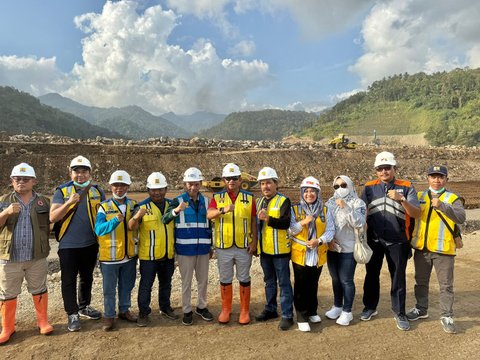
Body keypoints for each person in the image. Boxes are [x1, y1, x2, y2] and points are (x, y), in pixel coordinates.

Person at [360, 151, 420, 331]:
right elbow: (361, 211)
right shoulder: (369, 187)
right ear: (376, 171)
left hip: (399, 241)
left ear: (394, 169)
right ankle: (370, 307)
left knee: (398, 278)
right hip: (375, 240)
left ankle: (399, 312)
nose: (384, 171)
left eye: (387, 168)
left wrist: (402, 199)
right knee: (371, 275)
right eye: (380, 169)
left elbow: (416, 213)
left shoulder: (407, 186)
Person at [407, 165, 466, 334]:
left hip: (444, 250)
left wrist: (442, 206)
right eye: (433, 176)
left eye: (440, 177)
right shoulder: (418, 196)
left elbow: (461, 218)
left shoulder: (453, 198)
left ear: (446, 179)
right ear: (428, 178)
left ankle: (447, 315)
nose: (437, 180)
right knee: (420, 282)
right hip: (422, 249)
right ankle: (421, 309)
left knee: (446, 285)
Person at [50, 155, 105, 332]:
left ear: (90, 173)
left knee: (87, 277)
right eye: (76, 171)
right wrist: (69, 203)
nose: (80, 175)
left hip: (90, 244)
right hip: (68, 245)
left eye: (84, 171)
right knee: (68, 280)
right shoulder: (62, 191)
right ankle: (72, 313)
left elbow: (104, 214)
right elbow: (53, 217)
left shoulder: (97, 191)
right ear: (70, 172)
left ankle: (84, 306)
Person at [0, 163, 53, 344]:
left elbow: (49, 225)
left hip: (36, 257)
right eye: (17, 179)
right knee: (7, 293)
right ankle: (7, 328)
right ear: (12, 181)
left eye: (25, 179)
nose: (21, 182)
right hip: (9, 258)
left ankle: (43, 322)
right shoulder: (3, 200)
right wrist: (6, 212)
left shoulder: (44, 201)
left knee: (39, 288)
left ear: (34, 181)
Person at [207, 163, 258, 325]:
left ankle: (244, 310)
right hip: (224, 247)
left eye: (234, 178)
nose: (231, 181)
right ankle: (226, 309)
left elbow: (253, 221)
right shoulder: (217, 198)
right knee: (225, 278)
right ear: (223, 180)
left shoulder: (249, 198)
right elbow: (209, 215)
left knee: (244, 278)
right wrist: (223, 210)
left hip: (244, 246)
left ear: (240, 179)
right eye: (228, 178)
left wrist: (254, 242)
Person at [162, 167, 213, 326]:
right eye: (190, 184)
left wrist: (211, 246)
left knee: (203, 280)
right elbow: (165, 219)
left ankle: (201, 307)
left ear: (200, 184)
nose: (193, 187)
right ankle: (186, 310)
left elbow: (209, 224)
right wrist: (177, 210)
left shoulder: (206, 201)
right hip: (185, 250)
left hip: (203, 249)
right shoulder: (177, 201)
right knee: (186, 282)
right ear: (185, 184)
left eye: (196, 184)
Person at [128, 172, 178, 327]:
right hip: (148, 256)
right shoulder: (141, 206)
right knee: (146, 285)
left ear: (166, 189)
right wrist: (137, 217)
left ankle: (165, 307)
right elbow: (131, 227)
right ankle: (144, 312)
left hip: (167, 253)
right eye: (153, 189)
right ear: (148, 190)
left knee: (166, 283)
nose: (157, 192)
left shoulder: (172, 205)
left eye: (160, 189)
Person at [288, 176, 334, 332]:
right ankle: (301, 316)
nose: (309, 194)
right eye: (306, 191)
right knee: (301, 284)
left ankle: (312, 310)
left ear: (318, 193)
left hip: (318, 251)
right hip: (300, 252)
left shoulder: (325, 209)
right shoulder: (295, 209)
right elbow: (290, 230)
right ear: (302, 192)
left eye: (312, 191)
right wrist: (303, 222)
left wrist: (319, 241)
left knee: (313, 282)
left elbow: (330, 231)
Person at [95, 170, 138, 331]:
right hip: (110, 257)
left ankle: (124, 310)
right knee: (109, 289)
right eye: (116, 185)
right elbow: (99, 230)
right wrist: (114, 221)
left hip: (129, 255)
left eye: (122, 185)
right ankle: (109, 315)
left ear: (127, 187)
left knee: (127, 285)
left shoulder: (134, 205)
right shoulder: (104, 207)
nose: (119, 188)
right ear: (111, 187)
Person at [254, 167, 294, 331]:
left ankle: (287, 315)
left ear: (276, 184)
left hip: (280, 252)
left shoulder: (284, 201)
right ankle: (271, 309)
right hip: (265, 251)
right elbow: (257, 227)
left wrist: (268, 218)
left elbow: (285, 224)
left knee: (284, 284)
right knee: (269, 282)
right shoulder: (258, 202)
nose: (265, 186)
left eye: (268, 183)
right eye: (262, 183)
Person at [324, 175, 366, 326]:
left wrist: (346, 207)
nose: (339, 189)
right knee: (335, 279)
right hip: (333, 248)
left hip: (348, 249)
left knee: (346, 280)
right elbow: (325, 223)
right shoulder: (329, 203)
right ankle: (337, 306)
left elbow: (360, 223)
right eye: (336, 186)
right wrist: (328, 240)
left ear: (350, 185)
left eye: (343, 185)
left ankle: (347, 311)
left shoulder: (358, 203)